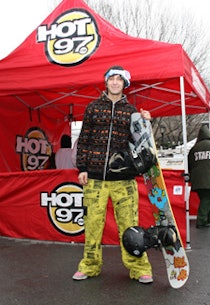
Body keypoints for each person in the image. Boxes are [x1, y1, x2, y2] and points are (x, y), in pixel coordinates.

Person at [72, 65, 153, 284]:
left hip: (124, 179)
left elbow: (141, 143)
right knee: (92, 225)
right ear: (106, 82)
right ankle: (90, 265)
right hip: (95, 179)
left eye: (119, 79)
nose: (115, 82)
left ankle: (139, 268)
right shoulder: (93, 108)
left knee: (130, 225)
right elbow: (84, 140)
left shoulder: (131, 111)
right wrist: (82, 168)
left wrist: (145, 121)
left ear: (125, 83)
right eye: (111, 78)